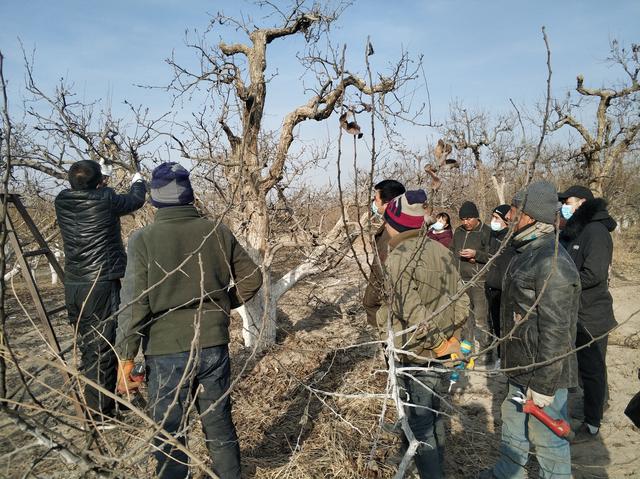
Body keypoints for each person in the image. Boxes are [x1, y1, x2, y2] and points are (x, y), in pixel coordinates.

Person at [115, 162, 263, 479]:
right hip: (213, 346)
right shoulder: (218, 231)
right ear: (190, 196)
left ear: (154, 198)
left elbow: (134, 303)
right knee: (219, 423)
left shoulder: (142, 240)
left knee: (170, 434)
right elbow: (252, 278)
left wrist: (125, 358)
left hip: (165, 351)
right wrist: (222, 305)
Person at [485, 181, 580, 479]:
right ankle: (507, 473)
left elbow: (556, 330)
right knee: (513, 427)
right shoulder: (526, 251)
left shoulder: (553, 264)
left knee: (548, 441)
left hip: (543, 373)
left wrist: (543, 385)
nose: (509, 215)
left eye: (515, 210)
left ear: (531, 216)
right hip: (520, 366)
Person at [375, 190, 462, 478]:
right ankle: (430, 464)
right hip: (443, 350)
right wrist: (452, 340)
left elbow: (412, 312)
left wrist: (438, 343)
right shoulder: (441, 250)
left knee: (421, 423)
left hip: (416, 353)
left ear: (394, 223)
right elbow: (462, 299)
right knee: (434, 416)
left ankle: (431, 472)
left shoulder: (398, 257)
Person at [54, 159, 146, 424]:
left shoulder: (62, 200)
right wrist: (137, 180)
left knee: (91, 346)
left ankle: (110, 400)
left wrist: (100, 175)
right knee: (101, 348)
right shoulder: (105, 198)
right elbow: (134, 201)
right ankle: (100, 414)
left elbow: (86, 186)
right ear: (99, 183)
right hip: (100, 283)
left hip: (75, 284)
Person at [559, 185, 617, 442]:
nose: (564, 206)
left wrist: (563, 283)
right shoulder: (575, 230)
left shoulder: (596, 232)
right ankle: (592, 404)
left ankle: (593, 422)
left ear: (582, 202)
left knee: (592, 369)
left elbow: (593, 274)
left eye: (567, 201)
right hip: (576, 310)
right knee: (583, 369)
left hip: (592, 313)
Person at [450, 201, 492, 361]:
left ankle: (486, 353)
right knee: (464, 318)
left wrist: (477, 255)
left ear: (476, 217)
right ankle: (466, 353)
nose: (465, 222)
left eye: (469, 219)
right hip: (461, 281)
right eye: (463, 219)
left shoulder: (486, 232)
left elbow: (494, 256)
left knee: (481, 319)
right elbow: (451, 250)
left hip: (480, 281)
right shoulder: (459, 232)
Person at [362, 179, 406, 327]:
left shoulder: (391, 232)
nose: (373, 203)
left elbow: (381, 271)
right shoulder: (404, 224)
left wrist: (369, 301)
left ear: (388, 204)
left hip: (388, 305)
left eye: (376, 199)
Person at [484, 204, 514, 368]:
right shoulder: (492, 236)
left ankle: (505, 359)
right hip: (491, 288)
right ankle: (499, 357)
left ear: (506, 220)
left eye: (496, 218)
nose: (493, 221)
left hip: (505, 290)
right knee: (495, 325)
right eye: (492, 217)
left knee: (506, 327)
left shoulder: (511, 239)